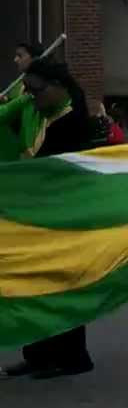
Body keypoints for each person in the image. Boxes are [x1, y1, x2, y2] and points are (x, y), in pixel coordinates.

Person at [0, 59, 96, 378]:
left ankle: (71, 357)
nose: (30, 96)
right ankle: (38, 354)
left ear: (58, 86)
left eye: (36, 90)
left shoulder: (74, 121)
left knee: (61, 287)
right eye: (26, 90)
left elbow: (64, 173)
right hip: (38, 216)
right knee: (33, 285)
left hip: (65, 217)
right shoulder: (39, 112)